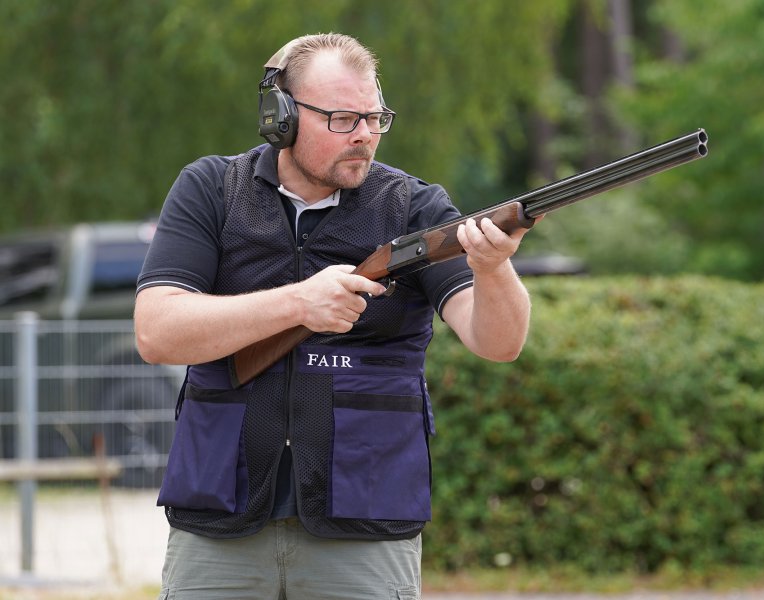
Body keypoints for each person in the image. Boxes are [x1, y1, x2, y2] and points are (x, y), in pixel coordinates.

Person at [134, 32, 535, 599]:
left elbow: (498, 342)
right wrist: (298, 302)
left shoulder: (415, 206)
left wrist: (495, 269)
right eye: (344, 119)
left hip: (365, 520)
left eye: (375, 117)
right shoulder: (211, 190)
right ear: (283, 117)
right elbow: (156, 332)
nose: (366, 135)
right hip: (220, 517)